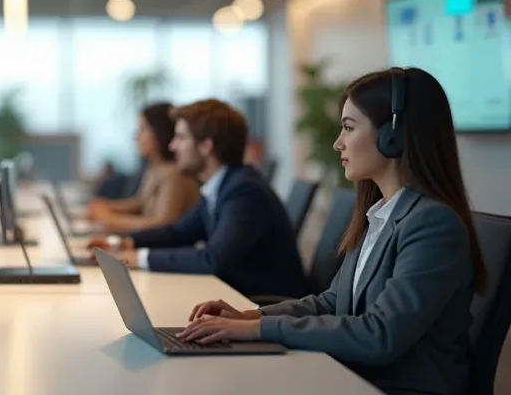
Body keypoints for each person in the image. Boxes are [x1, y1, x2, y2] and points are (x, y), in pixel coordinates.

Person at [179, 68, 487, 395]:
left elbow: (380, 335)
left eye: (349, 128)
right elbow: (331, 303)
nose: (338, 142)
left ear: (392, 136)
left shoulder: (433, 224)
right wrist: (249, 317)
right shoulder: (381, 215)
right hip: (354, 377)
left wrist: (259, 330)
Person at [88, 99, 307, 299]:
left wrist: (140, 258)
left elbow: (212, 259)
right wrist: (122, 243)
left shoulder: (245, 190)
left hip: (265, 307)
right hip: (233, 297)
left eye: (181, 138)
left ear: (206, 145)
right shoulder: (221, 185)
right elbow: (177, 233)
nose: (172, 146)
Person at [84, 102, 200, 234]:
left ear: (159, 132)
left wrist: (109, 219)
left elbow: (163, 225)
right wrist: (106, 207)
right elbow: (141, 203)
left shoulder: (175, 175)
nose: (136, 137)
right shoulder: (155, 167)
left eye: (142, 129)